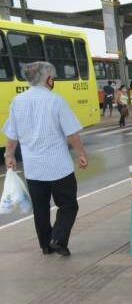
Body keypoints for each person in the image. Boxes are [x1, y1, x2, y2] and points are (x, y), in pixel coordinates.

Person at [3, 62, 89, 256]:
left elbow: (12, 134)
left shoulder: (17, 101)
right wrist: (81, 154)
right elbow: (72, 133)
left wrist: (9, 155)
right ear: (49, 79)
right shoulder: (56, 100)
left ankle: (45, 245)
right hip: (59, 167)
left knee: (40, 209)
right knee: (68, 205)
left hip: (33, 169)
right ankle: (58, 239)